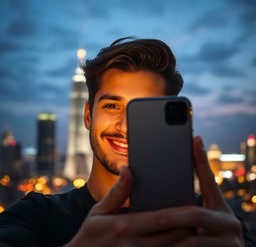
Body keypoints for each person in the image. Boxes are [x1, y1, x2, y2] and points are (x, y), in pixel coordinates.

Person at [0, 38, 255, 247]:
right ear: (88, 115)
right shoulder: (34, 217)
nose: (125, 126)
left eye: (142, 110)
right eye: (112, 106)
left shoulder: (216, 225)